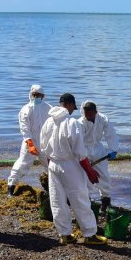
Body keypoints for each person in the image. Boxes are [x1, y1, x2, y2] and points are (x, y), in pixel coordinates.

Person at [39, 93, 107, 245]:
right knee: (80, 198)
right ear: (69, 105)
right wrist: (90, 172)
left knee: (57, 200)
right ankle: (89, 234)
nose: (72, 111)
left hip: (53, 164)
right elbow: (80, 153)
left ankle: (64, 234)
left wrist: (50, 165)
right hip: (70, 165)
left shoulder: (48, 122)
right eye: (72, 108)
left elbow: (43, 148)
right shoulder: (72, 123)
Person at [6, 84, 51, 195]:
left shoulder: (49, 108)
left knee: (50, 165)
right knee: (22, 164)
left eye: (39, 95)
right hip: (30, 141)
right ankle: (11, 187)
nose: (37, 97)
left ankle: (55, 189)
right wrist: (30, 143)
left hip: (45, 141)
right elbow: (24, 128)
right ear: (31, 95)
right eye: (34, 95)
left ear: (43, 96)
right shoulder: (26, 109)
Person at [79, 100, 120, 214]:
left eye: (90, 113)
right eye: (86, 113)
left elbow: (110, 134)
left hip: (98, 149)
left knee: (103, 175)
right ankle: (87, 201)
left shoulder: (102, 119)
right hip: (84, 149)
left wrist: (114, 149)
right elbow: (77, 140)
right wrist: (81, 156)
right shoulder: (80, 123)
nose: (88, 115)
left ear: (96, 112)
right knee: (85, 176)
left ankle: (105, 200)